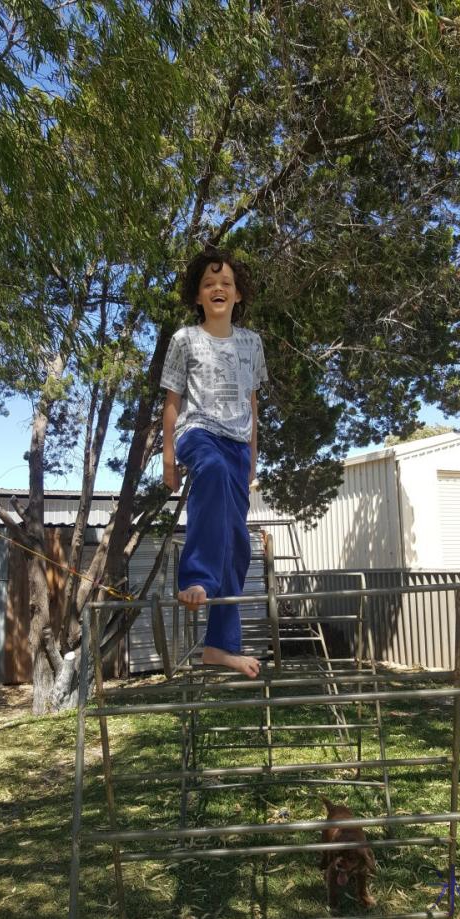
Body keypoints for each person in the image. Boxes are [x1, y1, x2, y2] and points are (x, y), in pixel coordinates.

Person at [160, 248, 268, 678]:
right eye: (208, 284)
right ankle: (196, 577)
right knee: (214, 471)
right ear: (199, 296)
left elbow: (253, 403)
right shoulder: (185, 339)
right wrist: (168, 458)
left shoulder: (251, 343)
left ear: (237, 293)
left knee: (237, 542)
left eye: (225, 283)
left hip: (238, 444)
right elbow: (171, 401)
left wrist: (254, 456)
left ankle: (219, 647)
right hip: (197, 433)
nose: (217, 288)